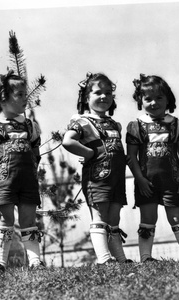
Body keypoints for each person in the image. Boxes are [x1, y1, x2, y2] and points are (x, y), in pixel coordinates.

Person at [0, 70, 45, 275]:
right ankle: (0, 263)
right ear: (3, 98)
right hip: (3, 182)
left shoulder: (30, 126)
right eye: (20, 94)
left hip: (28, 182)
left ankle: (35, 262)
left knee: (29, 220)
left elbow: (36, 154)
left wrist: (30, 171)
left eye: (26, 94)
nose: (26, 98)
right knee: (5, 220)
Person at [126, 74, 179, 262]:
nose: (153, 102)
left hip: (172, 181)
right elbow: (131, 157)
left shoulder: (177, 125)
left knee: (176, 217)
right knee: (148, 219)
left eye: (159, 97)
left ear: (168, 99)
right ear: (140, 101)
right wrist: (140, 179)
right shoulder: (136, 126)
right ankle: (145, 257)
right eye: (148, 98)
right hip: (146, 182)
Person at [62, 72, 131, 265]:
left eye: (108, 93)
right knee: (99, 214)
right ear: (86, 97)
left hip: (117, 178)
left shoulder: (113, 124)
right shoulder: (82, 121)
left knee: (114, 216)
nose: (104, 97)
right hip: (97, 178)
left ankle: (121, 259)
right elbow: (68, 141)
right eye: (98, 92)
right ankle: (104, 259)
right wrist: (89, 154)